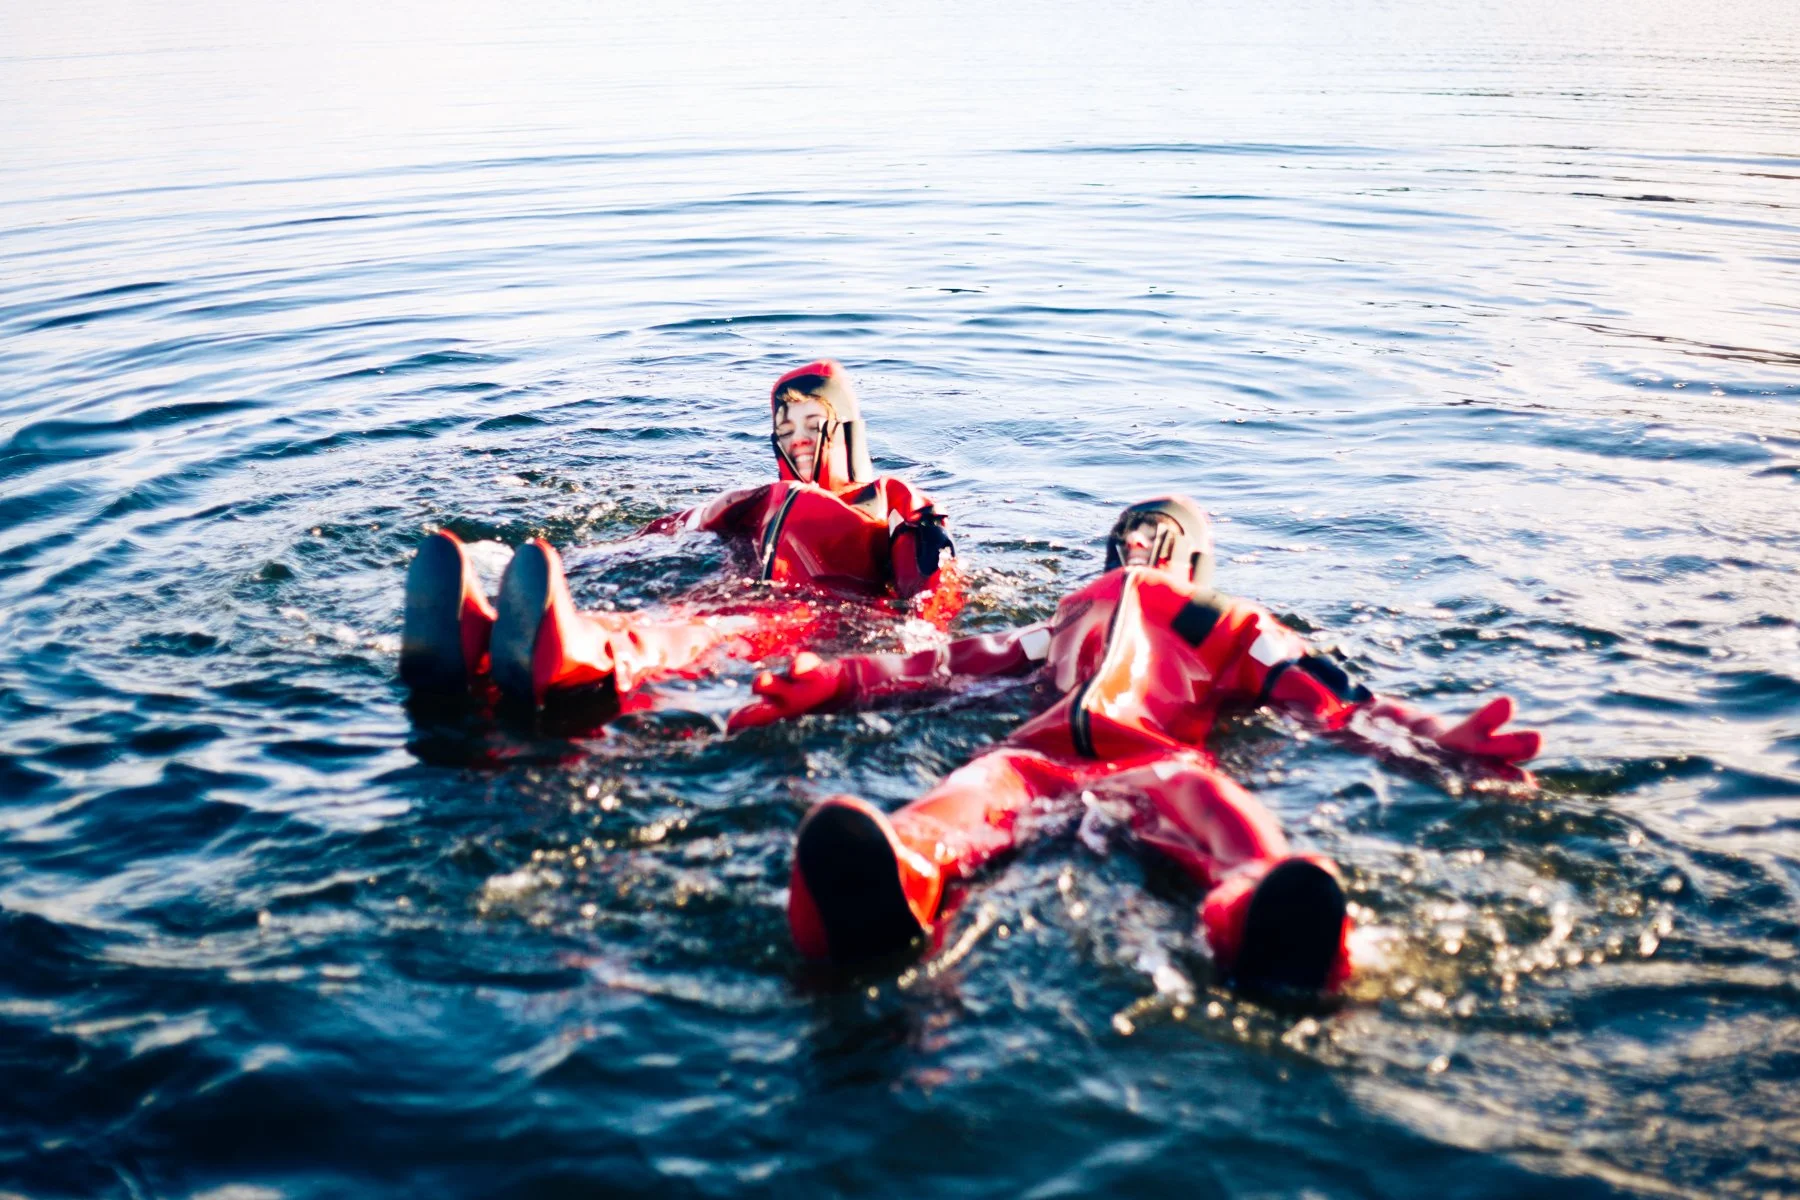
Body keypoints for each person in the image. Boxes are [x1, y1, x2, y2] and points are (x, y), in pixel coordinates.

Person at [730, 497, 1542, 996]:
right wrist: (836, 681)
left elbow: (1325, 692)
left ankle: (1260, 908)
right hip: (1036, 755)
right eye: (1127, 540)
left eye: (1158, 539)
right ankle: (898, 869)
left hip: (1159, 758)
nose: (1137, 553)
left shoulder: (1227, 623)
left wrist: (1431, 736)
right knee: (969, 794)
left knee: (1224, 811)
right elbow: (956, 661)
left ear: (1194, 562)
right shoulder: (1065, 620)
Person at [399, 360, 963, 707]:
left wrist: (919, 638)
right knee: (673, 617)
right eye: (783, 428)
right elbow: (672, 532)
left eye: (812, 425)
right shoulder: (762, 500)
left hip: (823, 615)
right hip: (739, 590)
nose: (794, 440)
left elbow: (934, 568)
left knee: (690, 636)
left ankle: (568, 649)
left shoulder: (886, 498)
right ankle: (485, 630)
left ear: (844, 429)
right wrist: (586, 558)